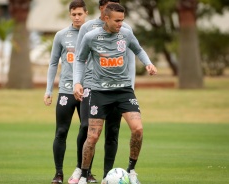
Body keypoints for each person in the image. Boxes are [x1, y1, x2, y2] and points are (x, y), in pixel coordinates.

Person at [73, 3, 157, 184]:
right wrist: (77, 83)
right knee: (93, 136)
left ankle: (131, 171)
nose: (121, 24)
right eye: (117, 21)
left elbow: (138, 49)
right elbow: (80, 60)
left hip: (124, 90)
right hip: (99, 92)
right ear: (106, 18)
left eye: (122, 20)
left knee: (138, 129)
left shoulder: (126, 33)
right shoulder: (91, 37)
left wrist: (148, 63)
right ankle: (84, 174)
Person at [68, 0, 136, 183]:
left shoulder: (124, 28)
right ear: (102, 9)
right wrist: (78, 82)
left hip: (118, 88)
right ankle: (81, 170)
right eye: (109, 7)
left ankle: (108, 175)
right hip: (92, 86)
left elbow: (130, 59)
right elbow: (80, 59)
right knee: (87, 129)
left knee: (113, 131)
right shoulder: (88, 29)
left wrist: (130, 86)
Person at [43, 1, 90, 183]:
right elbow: (53, 63)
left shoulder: (93, 34)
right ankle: (58, 173)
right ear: (70, 15)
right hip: (66, 91)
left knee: (87, 129)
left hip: (88, 90)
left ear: (86, 13)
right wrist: (49, 90)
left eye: (80, 14)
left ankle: (84, 171)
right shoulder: (61, 36)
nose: (77, 17)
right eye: (74, 14)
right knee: (61, 131)